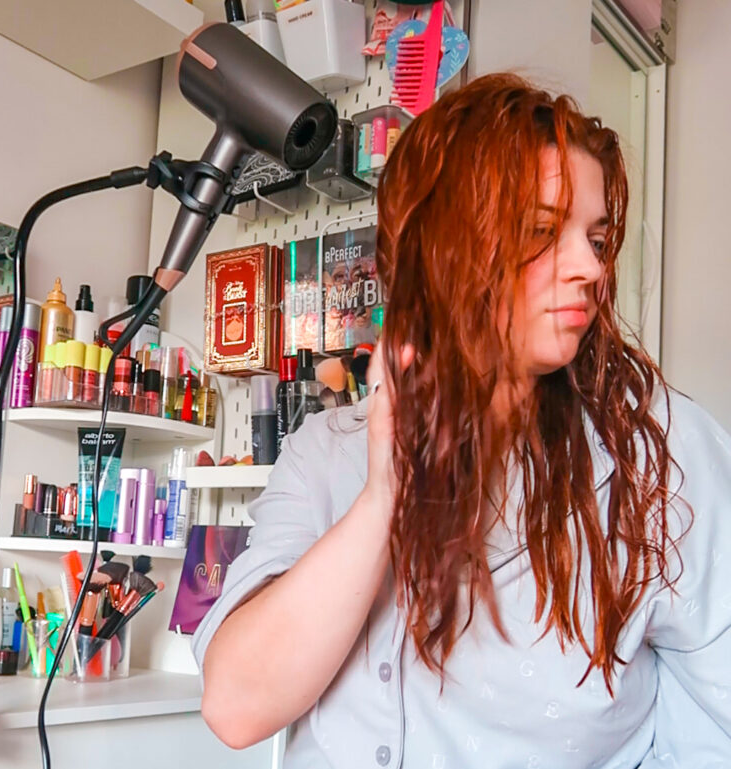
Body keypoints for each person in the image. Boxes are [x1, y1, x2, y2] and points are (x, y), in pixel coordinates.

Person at [193, 74, 731, 768]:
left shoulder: (660, 452)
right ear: (446, 246)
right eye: (542, 231)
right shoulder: (326, 452)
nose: (589, 268)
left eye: (595, 238)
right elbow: (236, 706)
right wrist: (385, 496)